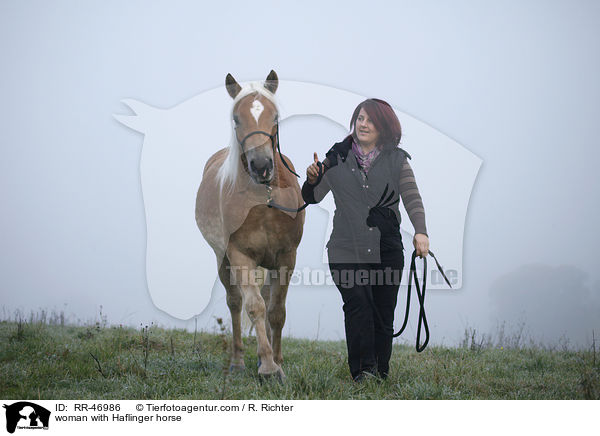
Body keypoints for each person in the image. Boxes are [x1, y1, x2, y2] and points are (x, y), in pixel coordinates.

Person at [301, 98, 430, 382]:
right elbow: (312, 197)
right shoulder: (336, 156)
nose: (363, 124)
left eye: (370, 120)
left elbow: (412, 197)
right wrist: (312, 180)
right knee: (358, 302)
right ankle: (363, 372)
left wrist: (420, 231)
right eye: (360, 118)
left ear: (383, 126)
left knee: (383, 312)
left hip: (387, 248)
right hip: (345, 248)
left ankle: (380, 373)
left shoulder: (397, 160)